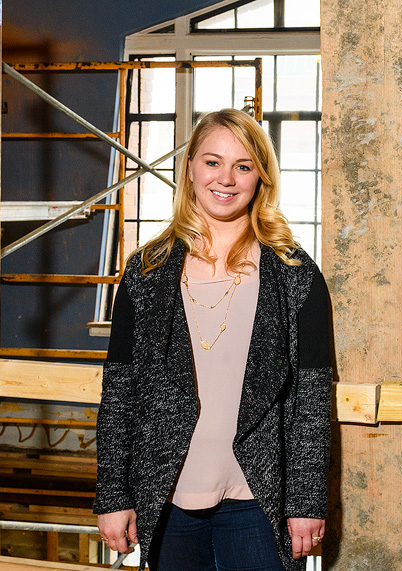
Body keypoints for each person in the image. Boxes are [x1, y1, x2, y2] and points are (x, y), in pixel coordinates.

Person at [95, 108, 334, 571]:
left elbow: (311, 397)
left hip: (257, 501)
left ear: (260, 178)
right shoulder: (146, 273)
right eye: (212, 162)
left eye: (243, 166)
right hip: (168, 498)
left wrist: (306, 500)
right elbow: (120, 391)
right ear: (189, 169)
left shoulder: (294, 275)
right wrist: (113, 494)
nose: (226, 178)